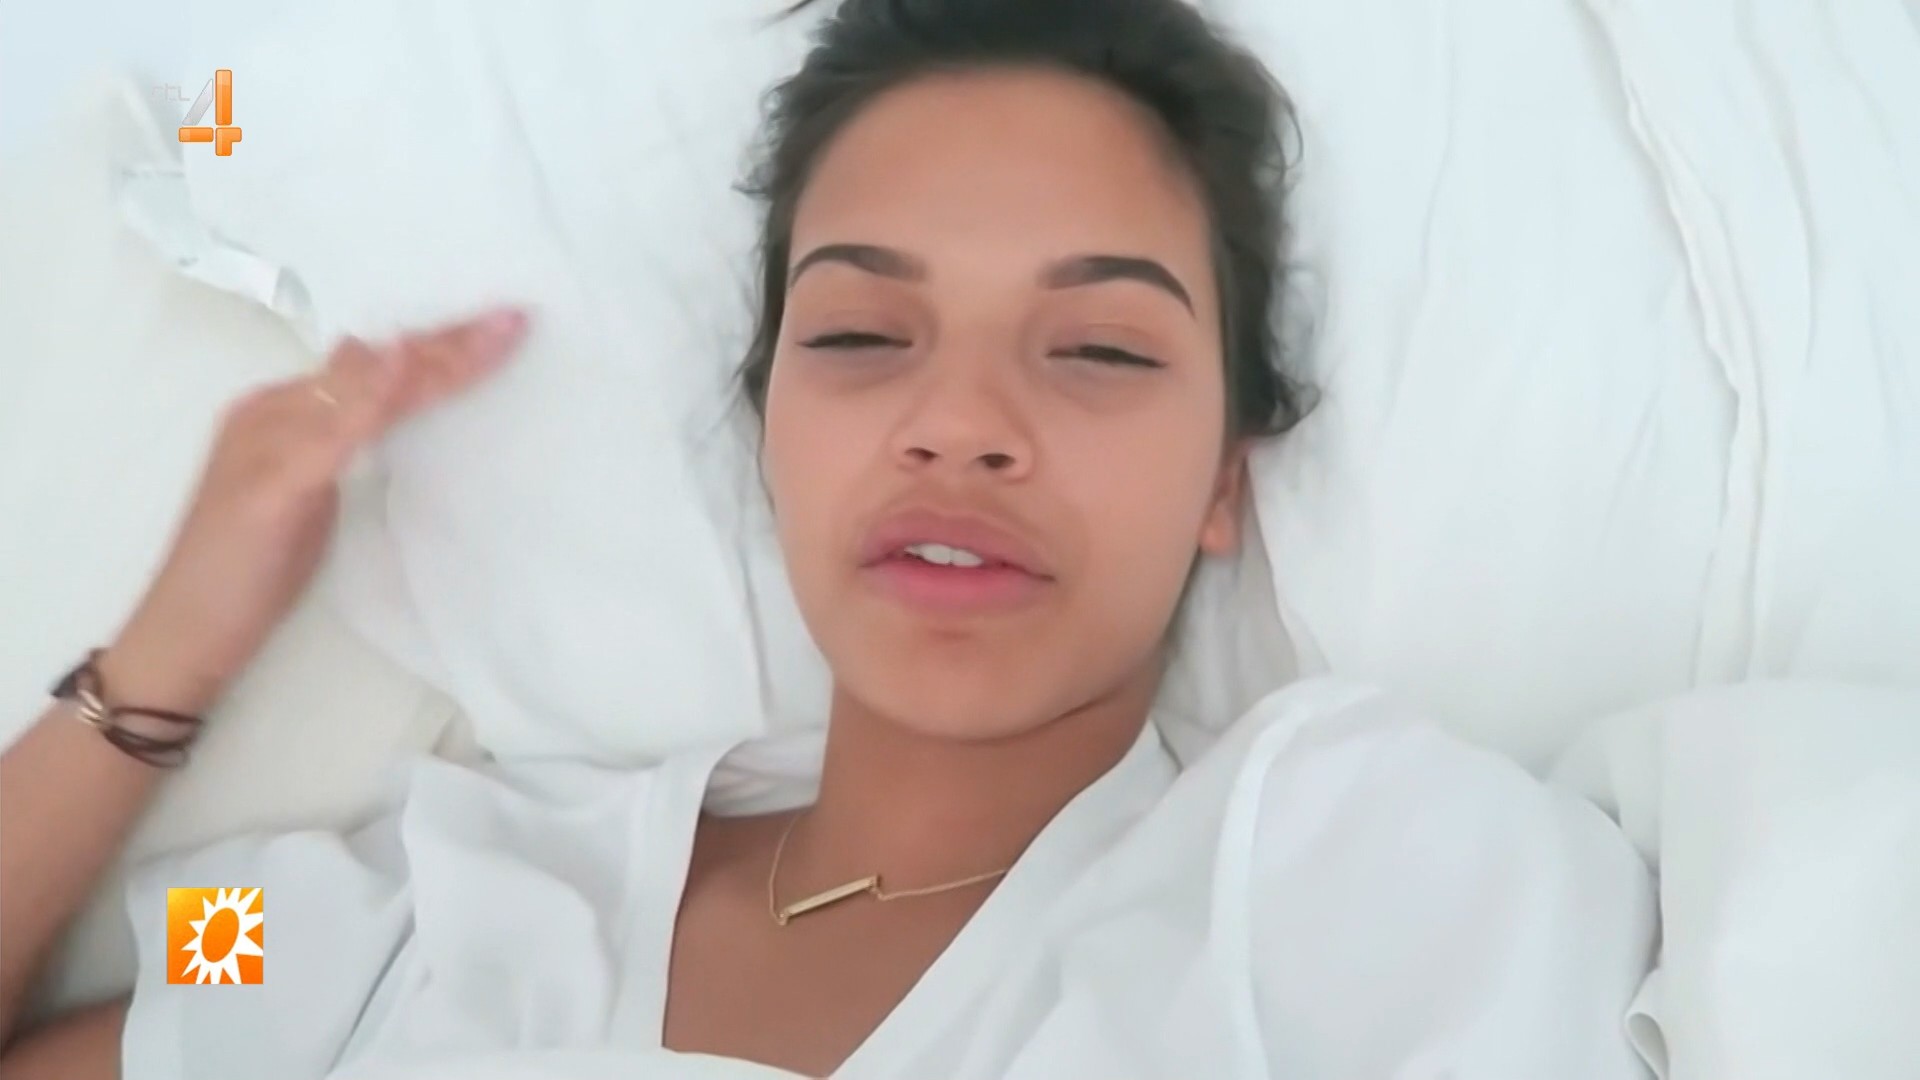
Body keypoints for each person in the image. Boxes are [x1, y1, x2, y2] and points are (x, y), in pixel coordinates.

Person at [0, 0, 1656, 1076]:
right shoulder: (425, 912)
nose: (962, 421)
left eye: (1098, 350)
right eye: (864, 336)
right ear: (770, 427)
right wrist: (166, 658)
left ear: (1225, 480)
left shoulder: (1367, 873)